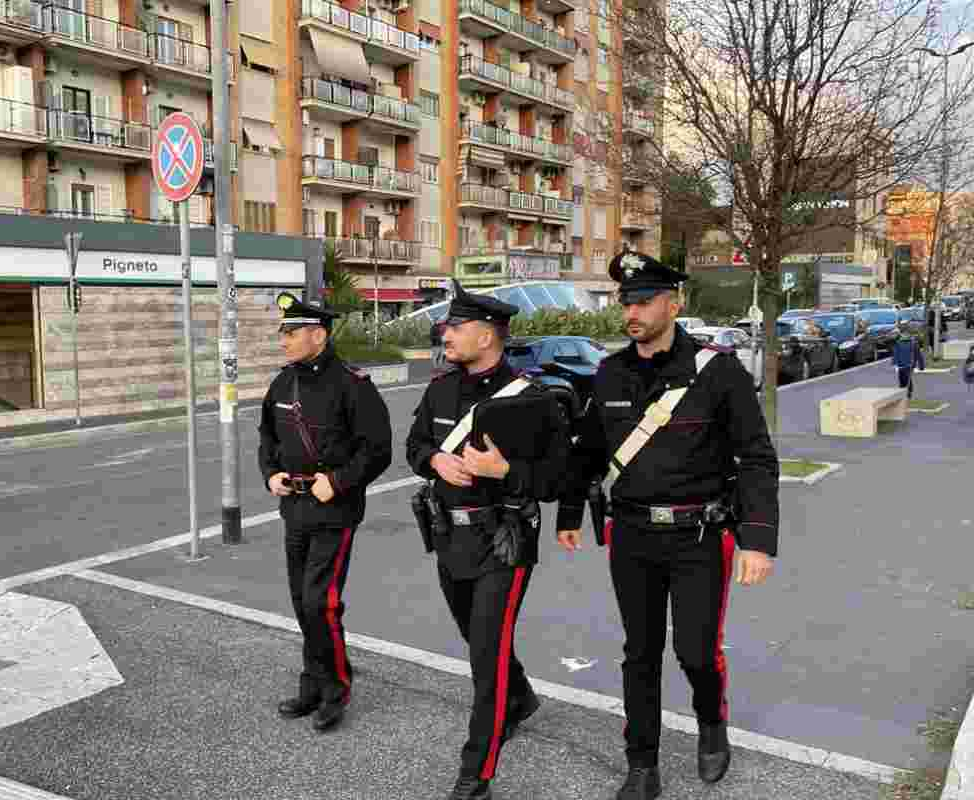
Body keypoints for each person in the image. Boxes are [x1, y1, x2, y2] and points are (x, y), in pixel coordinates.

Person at [557, 252, 780, 800]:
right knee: (640, 651)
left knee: (696, 652)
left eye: (641, 301)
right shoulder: (609, 373)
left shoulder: (716, 370)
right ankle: (642, 762)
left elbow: (756, 457)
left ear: (673, 304)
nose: (630, 311)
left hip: (699, 536)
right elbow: (588, 452)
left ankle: (711, 722)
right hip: (631, 536)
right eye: (624, 302)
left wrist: (757, 539)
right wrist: (567, 514)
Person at [405, 281, 573, 800]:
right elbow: (414, 445)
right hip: (448, 537)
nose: (446, 332)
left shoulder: (533, 400)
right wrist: (434, 460)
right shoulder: (440, 389)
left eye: (455, 326)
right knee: (481, 642)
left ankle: (475, 773)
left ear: (487, 334)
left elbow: (557, 480)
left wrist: (505, 470)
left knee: (486, 657)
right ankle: (518, 698)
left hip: (504, 540)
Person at [258, 293, 393, 733]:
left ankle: (336, 688)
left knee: (321, 602)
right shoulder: (283, 384)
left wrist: (335, 482)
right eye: (284, 332)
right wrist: (271, 473)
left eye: (291, 332)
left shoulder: (354, 385)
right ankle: (312, 684)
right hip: (294, 508)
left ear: (318, 335)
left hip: (335, 511)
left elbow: (378, 451)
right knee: (303, 602)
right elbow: (268, 438)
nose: (284, 340)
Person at [891, 324, 925, 399]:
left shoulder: (912, 343)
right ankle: (904, 393)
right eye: (903, 334)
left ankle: (908, 393)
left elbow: (918, 354)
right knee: (902, 379)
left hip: (909, 364)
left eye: (906, 334)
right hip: (902, 365)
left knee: (907, 379)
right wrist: (895, 364)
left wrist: (921, 365)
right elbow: (896, 354)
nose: (905, 335)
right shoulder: (898, 343)